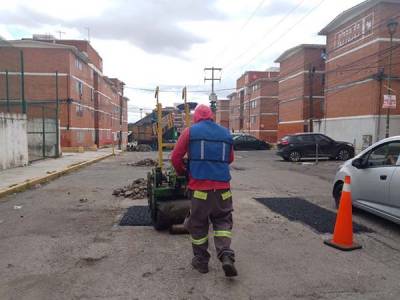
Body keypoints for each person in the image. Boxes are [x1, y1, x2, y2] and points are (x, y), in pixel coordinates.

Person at [171, 104, 237, 277]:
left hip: (200, 190)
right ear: (212, 116)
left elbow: (175, 157)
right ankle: (226, 255)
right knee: (222, 222)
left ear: (196, 117)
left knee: (199, 224)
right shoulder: (226, 133)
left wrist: (183, 172)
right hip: (223, 190)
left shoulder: (190, 132)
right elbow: (229, 159)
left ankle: (201, 262)